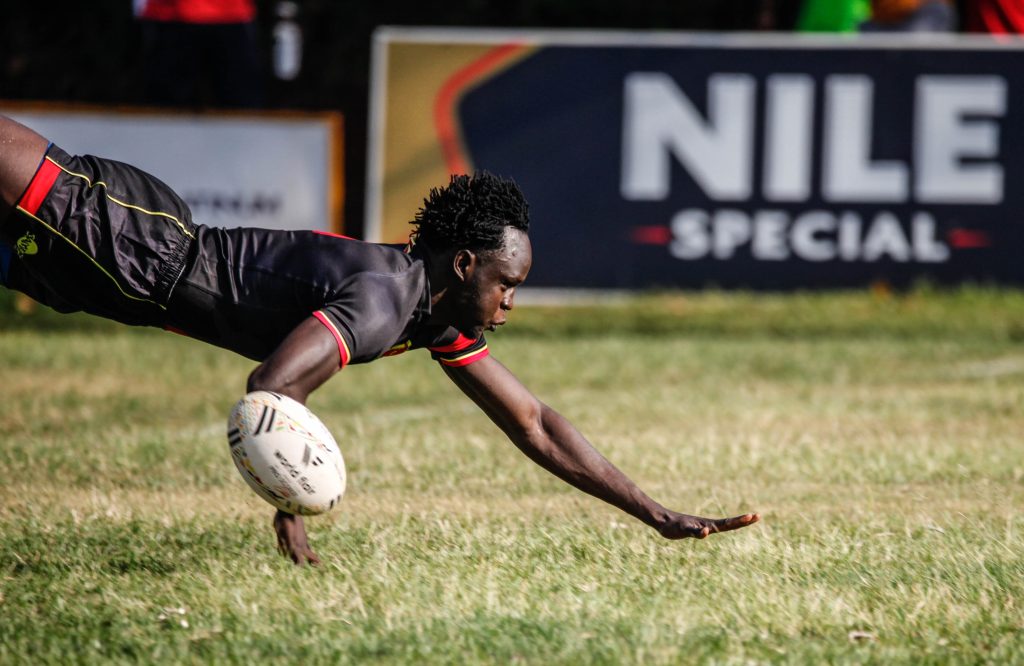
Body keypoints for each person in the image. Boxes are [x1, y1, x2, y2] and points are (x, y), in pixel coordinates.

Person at [0, 115, 759, 565]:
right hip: (137, 246)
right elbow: (273, 385)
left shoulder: (433, 313)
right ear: (464, 266)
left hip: (129, 281)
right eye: (506, 284)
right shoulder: (384, 299)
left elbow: (534, 423)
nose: (510, 303)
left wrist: (655, 512)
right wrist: (289, 497)